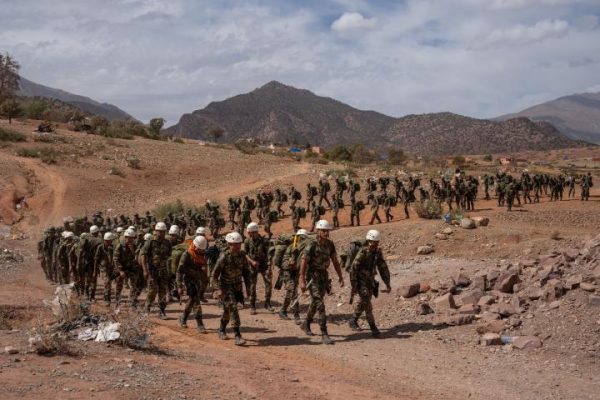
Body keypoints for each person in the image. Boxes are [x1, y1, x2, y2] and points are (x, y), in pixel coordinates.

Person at [299, 220, 345, 345]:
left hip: (323, 276)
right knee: (320, 303)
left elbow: (335, 261)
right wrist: (302, 280)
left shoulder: (330, 244)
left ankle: (306, 323)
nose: (326, 232)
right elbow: (303, 263)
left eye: (327, 230)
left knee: (315, 301)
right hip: (312, 276)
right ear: (318, 231)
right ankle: (324, 333)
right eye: (323, 230)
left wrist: (340, 276)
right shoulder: (312, 245)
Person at [211, 231, 252, 346]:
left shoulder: (242, 256)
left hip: (237, 286)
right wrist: (216, 289)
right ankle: (237, 335)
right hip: (225, 287)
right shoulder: (224, 257)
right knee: (233, 307)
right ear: (229, 245)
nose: (238, 246)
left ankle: (221, 330)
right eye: (236, 244)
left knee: (227, 311)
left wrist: (247, 288)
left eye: (240, 244)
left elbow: (246, 273)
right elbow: (214, 274)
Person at [348, 230, 391, 337]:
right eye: (372, 242)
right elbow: (353, 269)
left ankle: (353, 320)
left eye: (376, 242)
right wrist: (354, 285)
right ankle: (373, 328)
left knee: (364, 301)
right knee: (367, 302)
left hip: (370, 281)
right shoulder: (363, 252)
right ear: (368, 241)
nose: (373, 244)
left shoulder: (377, 252)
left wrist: (387, 283)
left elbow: (383, 268)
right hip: (360, 281)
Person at [177, 236, 209, 333]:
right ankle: (200, 324)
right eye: (199, 249)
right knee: (196, 301)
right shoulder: (186, 254)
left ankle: (183, 317)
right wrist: (179, 286)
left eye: (202, 250)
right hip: (188, 280)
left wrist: (205, 283)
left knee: (192, 300)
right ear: (195, 246)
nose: (201, 251)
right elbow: (179, 271)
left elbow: (204, 269)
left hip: (198, 280)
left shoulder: (202, 254)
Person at [141, 222, 173, 319]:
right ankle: (147, 308)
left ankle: (162, 311)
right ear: (156, 231)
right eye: (160, 231)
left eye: (163, 232)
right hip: (152, 271)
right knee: (152, 291)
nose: (162, 233)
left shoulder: (167, 243)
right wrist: (145, 270)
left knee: (162, 291)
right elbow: (143, 255)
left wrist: (170, 270)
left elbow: (169, 256)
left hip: (163, 271)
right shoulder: (150, 242)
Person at [278, 229, 308, 323]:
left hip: (296, 273)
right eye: (301, 238)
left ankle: (283, 310)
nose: (302, 240)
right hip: (287, 273)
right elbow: (284, 263)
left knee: (290, 293)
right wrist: (290, 263)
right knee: (292, 292)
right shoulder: (291, 248)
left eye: (304, 238)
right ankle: (296, 315)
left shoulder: (305, 250)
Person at [243, 222, 272, 313]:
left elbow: (270, 255)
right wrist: (252, 261)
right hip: (252, 266)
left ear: (254, 231)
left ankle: (267, 303)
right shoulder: (247, 241)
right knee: (252, 285)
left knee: (268, 283)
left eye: (249, 232)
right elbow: (245, 254)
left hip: (264, 265)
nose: (248, 234)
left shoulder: (264, 241)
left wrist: (269, 267)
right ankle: (252, 305)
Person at [113, 228, 144, 308]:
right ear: (125, 237)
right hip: (122, 268)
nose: (129, 239)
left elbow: (138, 258)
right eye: (128, 237)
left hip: (132, 269)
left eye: (131, 238)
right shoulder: (120, 246)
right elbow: (116, 259)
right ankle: (117, 301)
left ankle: (132, 303)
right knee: (119, 285)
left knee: (133, 286)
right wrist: (120, 271)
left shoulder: (136, 246)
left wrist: (133, 251)